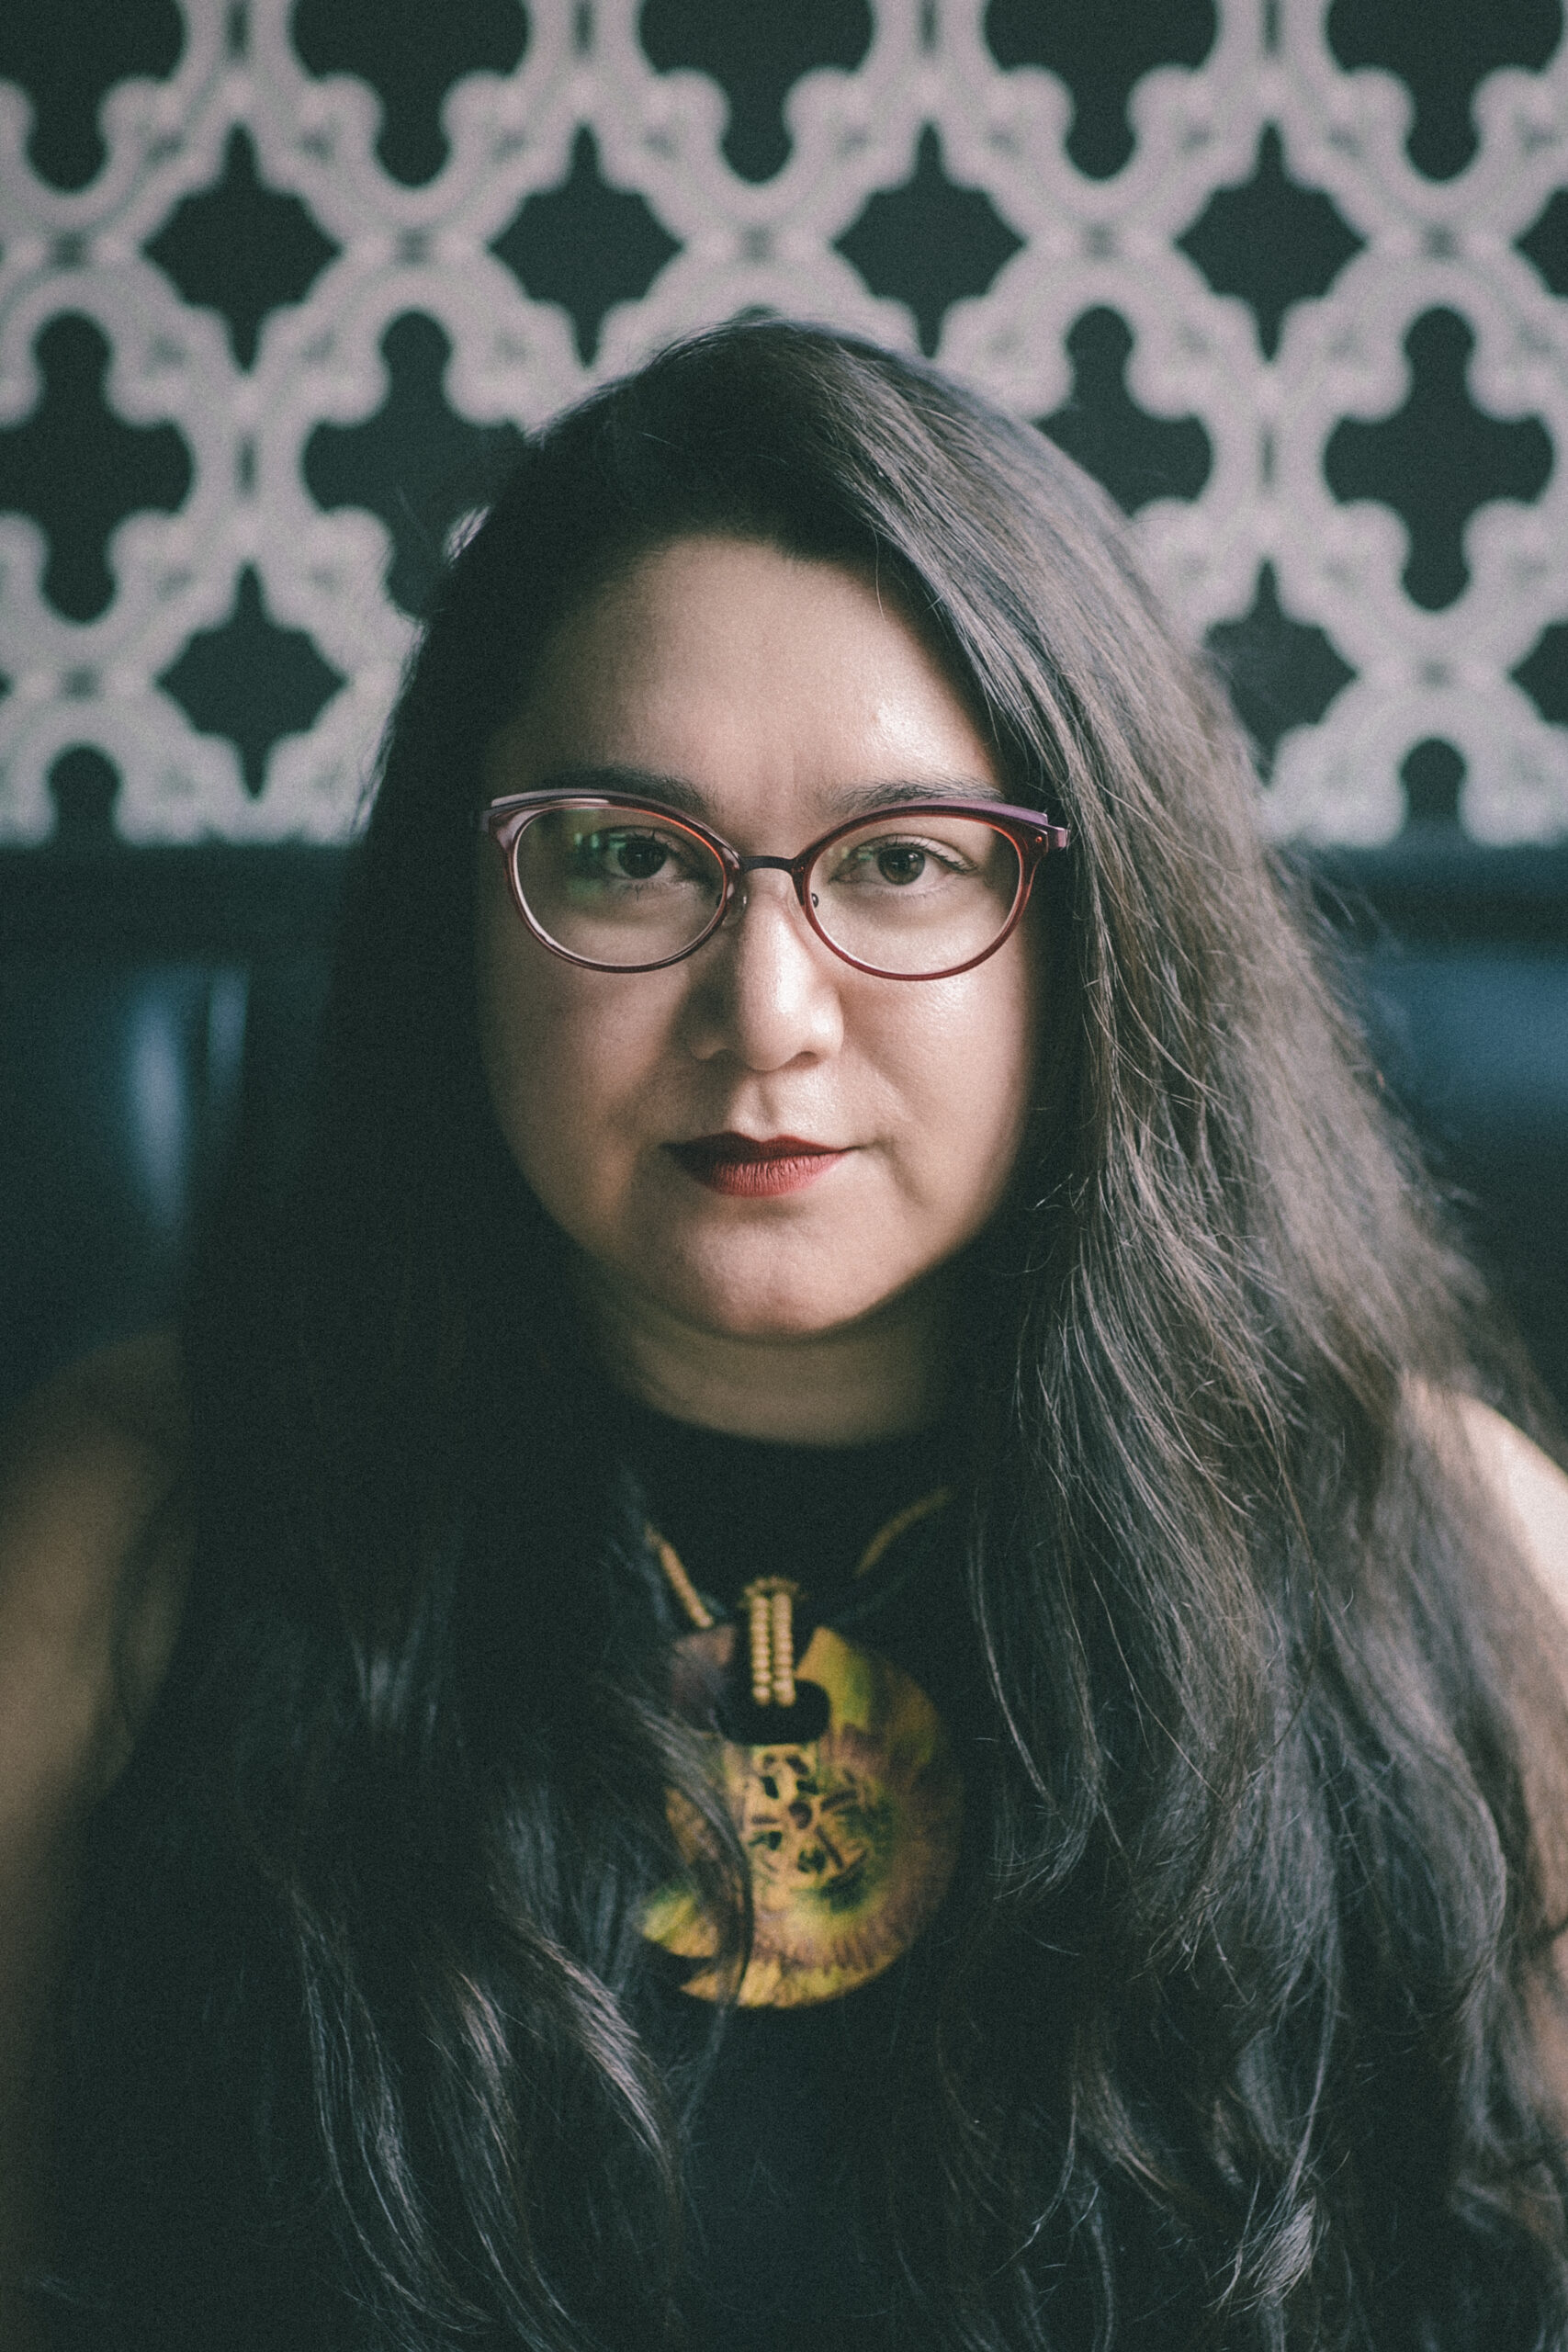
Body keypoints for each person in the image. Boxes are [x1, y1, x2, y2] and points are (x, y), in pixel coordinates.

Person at [4, 316, 1568, 2352]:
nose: (765, 1010)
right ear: (462, 907)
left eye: (907, 862)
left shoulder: (1456, 1559)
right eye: (628, 855)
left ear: (1104, 932)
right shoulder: (135, 1522)